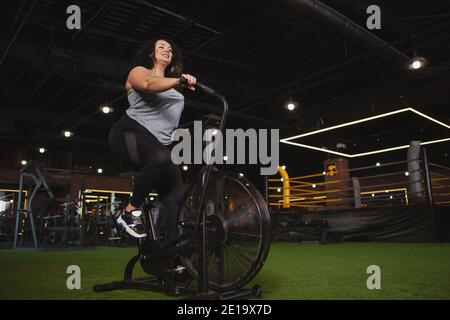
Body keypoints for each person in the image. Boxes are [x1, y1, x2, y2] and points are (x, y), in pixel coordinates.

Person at [108, 37, 196, 248]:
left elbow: (167, 126)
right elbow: (149, 84)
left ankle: (171, 253)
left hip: (157, 145)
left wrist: (191, 132)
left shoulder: (175, 90)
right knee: (161, 158)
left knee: (174, 196)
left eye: (170, 49)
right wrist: (179, 80)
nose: (167, 50)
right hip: (128, 134)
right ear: (151, 53)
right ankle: (128, 212)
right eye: (161, 47)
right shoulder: (138, 72)